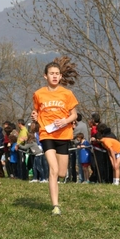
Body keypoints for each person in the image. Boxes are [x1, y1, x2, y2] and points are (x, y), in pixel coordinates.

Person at [31, 56, 78, 215]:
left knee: (62, 173)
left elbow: (74, 115)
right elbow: (36, 114)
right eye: (51, 73)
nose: (55, 76)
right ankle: (55, 206)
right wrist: (35, 118)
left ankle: (56, 196)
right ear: (46, 76)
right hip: (46, 134)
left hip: (64, 134)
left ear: (61, 76)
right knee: (53, 169)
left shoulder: (67, 94)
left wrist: (65, 121)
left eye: (57, 73)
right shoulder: (38, 94)